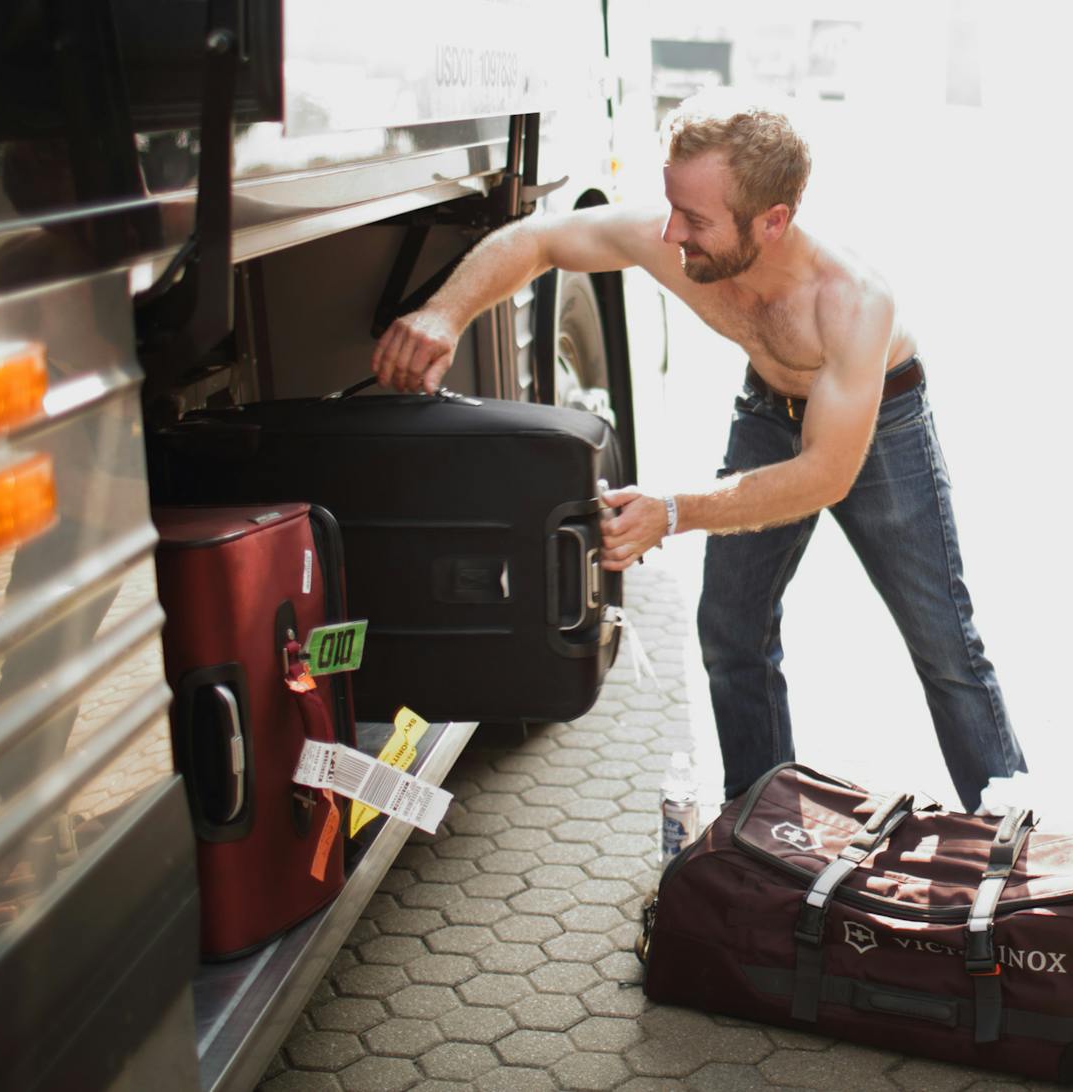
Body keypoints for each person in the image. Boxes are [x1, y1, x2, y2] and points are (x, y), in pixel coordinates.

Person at [370, 94, 1026, 810]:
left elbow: (823, 475)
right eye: (672, 207)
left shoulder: (854, 303)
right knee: (730, 632)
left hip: (880, 426)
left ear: (772, 223)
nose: (671, 232)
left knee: (945, 648)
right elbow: (540, 239)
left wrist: (674, 511)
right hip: (768, 407)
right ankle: (761, 832)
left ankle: (1017, 844)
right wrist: (445, 312)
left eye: (697, 220)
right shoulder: (671, 232)